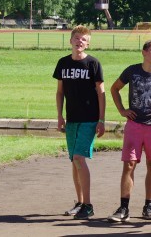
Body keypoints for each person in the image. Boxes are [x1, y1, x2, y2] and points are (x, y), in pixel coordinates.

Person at [107, 40, 151, 223]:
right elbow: (114, 88)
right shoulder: (132, 71)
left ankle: (149, 205)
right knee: (129, 164)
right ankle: (123, 208)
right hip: (134, 125)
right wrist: (122, 110)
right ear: (144, 52)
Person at [53, 25, 106, 220]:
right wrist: (60, 116)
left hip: (89, 118)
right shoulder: (63, 63)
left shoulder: (93, 63)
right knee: (74, 161)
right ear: (70, 41)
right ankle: (80, 202)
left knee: (78, 158)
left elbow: (101, 93)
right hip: (72, 118)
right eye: (76, 38)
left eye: (83, 39)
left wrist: (101, 119)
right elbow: (60, 92)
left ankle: (88, 205)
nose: (79, 42)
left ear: (88, 43)